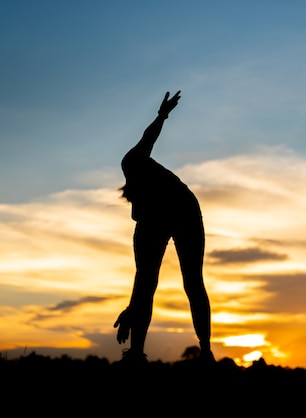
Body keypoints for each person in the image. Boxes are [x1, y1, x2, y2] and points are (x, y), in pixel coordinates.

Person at [113, 90, 214, 365]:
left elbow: (149, 137)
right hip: (161, 217)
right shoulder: (143, 216)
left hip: (186, 211)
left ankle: (206, 352)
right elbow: (143, 279)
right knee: (147, 284)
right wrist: (132, 308)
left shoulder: (133, 161)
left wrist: (162, 114)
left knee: (193, 281)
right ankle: (135, 354)